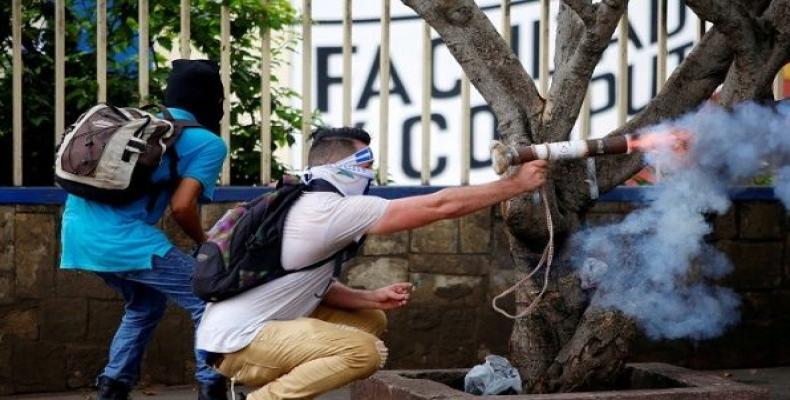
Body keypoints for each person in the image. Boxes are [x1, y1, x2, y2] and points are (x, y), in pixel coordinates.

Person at [195, 127, 549, 400]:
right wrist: (514, 185)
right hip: (237, 343)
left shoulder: (304, 203)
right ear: (342, 170)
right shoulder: (328, 210)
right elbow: (439, 206)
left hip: (241, 331)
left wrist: (369, 297)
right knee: (363, 353)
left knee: (368, 319)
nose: (369, 175)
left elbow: (308, 283)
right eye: (365, 165)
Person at [59, 59, 230, 400]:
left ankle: (113, 386)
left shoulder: (140, 127)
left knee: (145, 306)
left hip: (77, 235)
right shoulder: (207, 142)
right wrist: (205, 243)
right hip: (125, 240)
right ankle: (211, 388)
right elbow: (182, 207)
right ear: (214, 102)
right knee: (209, 302)